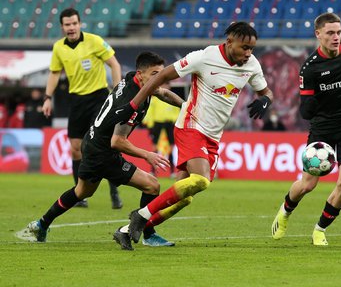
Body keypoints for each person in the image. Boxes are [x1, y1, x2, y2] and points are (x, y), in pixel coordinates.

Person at [122, 22, 273, 245]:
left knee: (185, 197)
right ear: (229, 42)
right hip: (191, 126)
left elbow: (265, 90)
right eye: (244, 48)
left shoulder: (251, 64)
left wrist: (265, 100)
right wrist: (134, 103)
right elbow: (162, 76)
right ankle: (141, 216)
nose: (248, 53)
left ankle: (129, 230)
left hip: (213, 136)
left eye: (252, 48)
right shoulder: (204, 57)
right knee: (201, 180)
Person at [18, 52, 183, 250]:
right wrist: (147, 154)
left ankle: (41, 224)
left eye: (161, 73)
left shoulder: (136, 81)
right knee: (152, 186)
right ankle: (148, 233)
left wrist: (187, 105)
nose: (160, 78)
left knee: (82, 191)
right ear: (140, 75)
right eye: (155, 74)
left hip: (92, 142)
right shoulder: (131, 103)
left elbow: (162, 93)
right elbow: (117, 141)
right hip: (104, 152)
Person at [270, 12, 341, 246]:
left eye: (339, 32)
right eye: (330, 33)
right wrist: (315, 101)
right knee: (308, 184)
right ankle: (285, 211)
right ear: (318, 34)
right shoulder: (310, 69)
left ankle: (320, 229)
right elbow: (305, 112)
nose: (336, 37)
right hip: (323, 129)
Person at [42, 8, 123, 209]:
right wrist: (47, 98)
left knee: (104, 146)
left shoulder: (95, 41)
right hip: (77, 101)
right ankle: (79, 194)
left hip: (99, 98)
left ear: (80, 24)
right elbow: (54, 73)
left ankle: (114, 190)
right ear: (62, 27)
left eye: (74, 23)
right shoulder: (58, 48)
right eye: (67, 25)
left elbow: (114, 64)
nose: (71, 28)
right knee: (76, 148)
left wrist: (118, 91)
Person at [142, 82, 180, 175]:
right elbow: (149, 112)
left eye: (167, 85)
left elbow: (178, 111)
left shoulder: (172, 98)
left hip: (169, 124)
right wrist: (149, 126)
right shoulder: (155, 99)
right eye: (163, 85)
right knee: (155, 147)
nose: (165, 86)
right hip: (157, 123)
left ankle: (172, 172)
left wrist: (176, 122)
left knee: (171, 147)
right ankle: (153, 171)